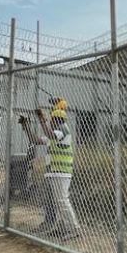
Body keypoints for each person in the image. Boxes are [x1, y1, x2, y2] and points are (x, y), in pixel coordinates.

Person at [33, 98, 80, 239]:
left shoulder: (62, 129)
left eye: (52, 119)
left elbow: (49, 135)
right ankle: (62, 227)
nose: (51, 121)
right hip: (56, 171)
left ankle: (74, 229)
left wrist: (42, 120)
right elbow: (42, 138)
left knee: (62, 200)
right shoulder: (59, 129)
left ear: (58, 119)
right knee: (59, 201)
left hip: (61, 172)